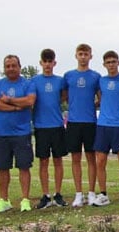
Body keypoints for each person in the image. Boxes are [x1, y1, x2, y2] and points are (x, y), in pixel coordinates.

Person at [0, 55, 36, 213]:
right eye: (7, 66)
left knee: (24, 167)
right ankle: (4, 200)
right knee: (3, 167)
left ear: (19, 67)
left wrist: (8, 100)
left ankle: (25, 200)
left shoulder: (27, 83)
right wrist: (16, 106)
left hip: (22, 133)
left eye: (13, 65)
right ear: (4, 68)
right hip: (2, 133)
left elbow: (29, 101)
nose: (10, 69)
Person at [92, 51, 119, 206]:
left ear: (118, 62)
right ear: (104, 64)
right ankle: (103, 194)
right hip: (103, 125)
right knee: (100, 161)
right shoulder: (101, 81)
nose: (111, 64)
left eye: (113, 61)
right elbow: (99, 98)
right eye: (108, 62)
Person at [64, 44, 101, 207]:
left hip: (90, 122)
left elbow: (101, 98)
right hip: (73, 122)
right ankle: (79, 194)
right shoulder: (69, 76)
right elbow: (64, 96)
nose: (83, 57)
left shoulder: (95, 76)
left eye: (86, 54)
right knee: (76, 158)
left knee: (92, 158)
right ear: (76, 56)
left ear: (91, 56)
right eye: (80, 54)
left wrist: (91, 105)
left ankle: (92, 193)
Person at [30, 49, 68, 209]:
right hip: (41, 126)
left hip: (57, 125)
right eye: (44, 61)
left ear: (54, 63)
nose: (47, 65)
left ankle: (58, 194)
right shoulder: (34, 81)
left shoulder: (59, 81)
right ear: (41, 63)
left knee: (58, 160)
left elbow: (64, 96)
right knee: (43, 161)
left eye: (50, 61)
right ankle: (46, 195)